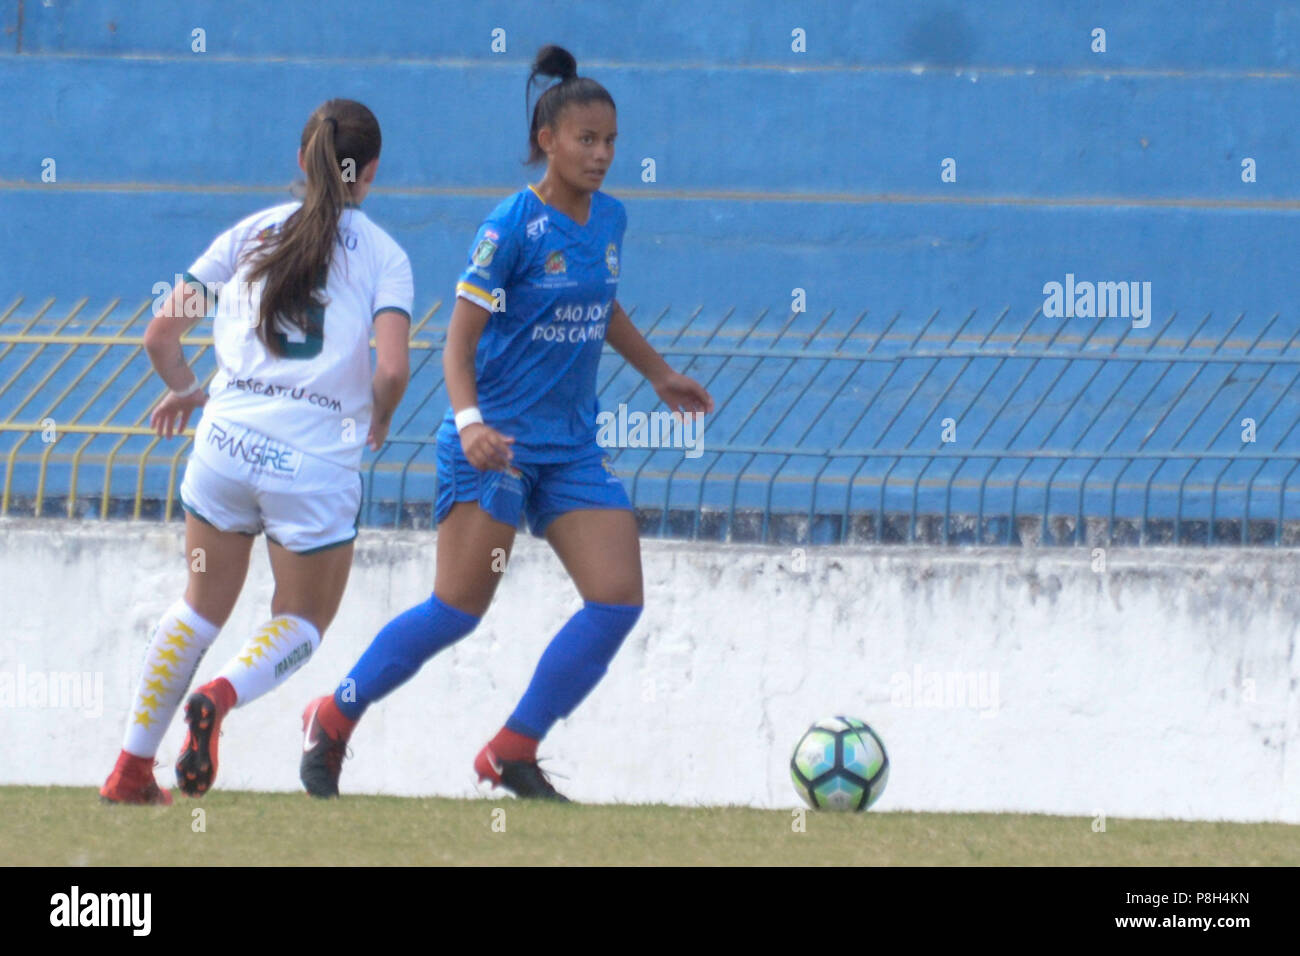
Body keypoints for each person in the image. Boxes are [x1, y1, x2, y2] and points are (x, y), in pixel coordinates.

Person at [300, 45, 713, 801]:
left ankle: (513, 747)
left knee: (617, 598)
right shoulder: (511, 226)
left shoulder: (611, 218)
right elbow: (457, 342)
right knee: (457, 609)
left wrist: (657, 373)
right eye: (587, 140)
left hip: (571, 447)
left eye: (612, 141)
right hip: (497, 446)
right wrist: (468, 424)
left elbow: (600, 302)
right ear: (547, 141)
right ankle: (333, 716)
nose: (602, 155)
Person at [99, 99, 413, 804]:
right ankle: (220, 694)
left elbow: (159, 335)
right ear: (373, 173)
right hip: (314, 459)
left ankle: (128, 770)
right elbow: (391, 370)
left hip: (225, 446)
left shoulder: (249, 232)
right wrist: (381, 418)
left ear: (301, 161)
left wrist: (190, 390)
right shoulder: (386, 256)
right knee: (302, 620)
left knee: (199, 606)